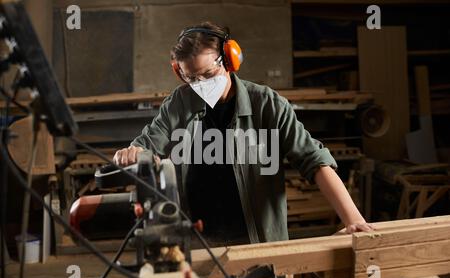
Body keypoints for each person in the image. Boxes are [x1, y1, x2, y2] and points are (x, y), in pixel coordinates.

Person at [113, 22, 374, 247]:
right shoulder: (179, 103)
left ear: (229, 60)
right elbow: (149, 144)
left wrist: (353, 220)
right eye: (192, 79)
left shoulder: (267, 105)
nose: (201, 85)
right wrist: (133, 153)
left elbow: (314, 161)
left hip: (256, 240)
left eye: (208, 74)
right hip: (199, 239)